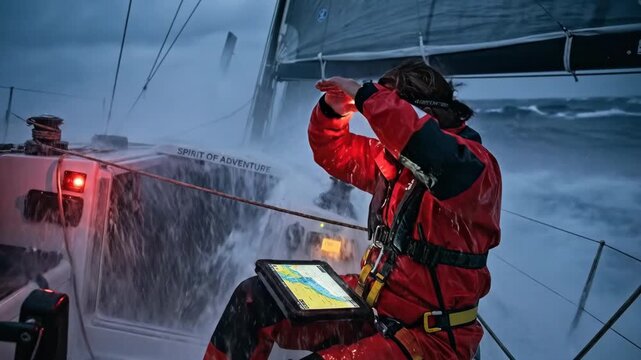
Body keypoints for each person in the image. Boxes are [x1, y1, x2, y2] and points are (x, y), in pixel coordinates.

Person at [204, 59, 502, 360]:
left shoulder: (475, 171)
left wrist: (367, 96)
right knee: (253, 299)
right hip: (368, 307)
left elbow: (431, 153)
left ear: (421, 114)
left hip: (429, 340)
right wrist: (333, 111)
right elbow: (332, 150)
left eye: (393, 109)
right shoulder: (395, 163)